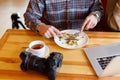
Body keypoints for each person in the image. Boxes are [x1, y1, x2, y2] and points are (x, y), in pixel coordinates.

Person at [24, 0, 103, 38]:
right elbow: (29, 16)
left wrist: (95, 16)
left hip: (82, 38)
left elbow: (98, 9)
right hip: (52, 37)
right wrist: (40, 26)